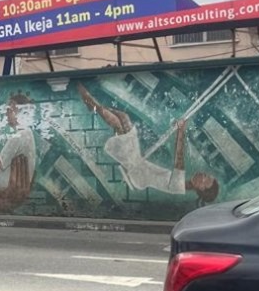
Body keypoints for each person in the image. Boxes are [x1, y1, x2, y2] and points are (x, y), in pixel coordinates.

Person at [77, 83, 219, 203]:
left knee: (118, 125)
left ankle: (92, 103)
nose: (203, 175)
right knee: (124, 117)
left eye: (205, 180)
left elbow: (179, 159)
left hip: (137, 172)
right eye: (207, 176)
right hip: (139, 164)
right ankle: (97, 107)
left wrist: (181, 130)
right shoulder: (182, 184)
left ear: (200, 189)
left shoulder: (178, 186)